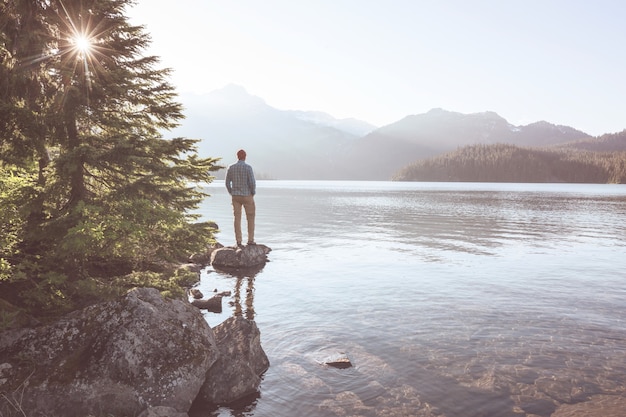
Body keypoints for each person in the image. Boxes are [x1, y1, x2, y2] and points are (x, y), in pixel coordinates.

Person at [225, 149, 256, 247]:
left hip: (236, 196)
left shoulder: (231, 168)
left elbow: (227, 183)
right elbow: (252, 183)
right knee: (250, 218)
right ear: (245, 156)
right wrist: (253, 193)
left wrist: (232, 192)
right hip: (247, 195)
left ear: (237, 156)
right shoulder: (248, 168)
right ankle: (250, 240)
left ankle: (238, 241)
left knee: (237, 218)